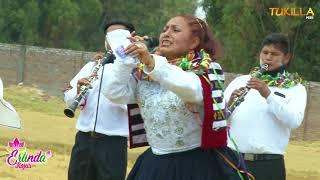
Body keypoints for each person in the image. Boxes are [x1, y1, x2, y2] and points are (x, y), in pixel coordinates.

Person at [102, 15, 242, 180]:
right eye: (165, 29)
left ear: (194, 42)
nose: (166, 34)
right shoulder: (145, 72)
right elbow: (114, 93)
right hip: (156, 165)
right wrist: (126, 59)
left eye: (175, 30)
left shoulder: (206, 69)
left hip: (197, 166)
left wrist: (151, 62)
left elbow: (192, 89)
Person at [225, 33, 307, 180]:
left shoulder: (296, 88)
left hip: (268, 164)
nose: (268, 57)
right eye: (265, 52)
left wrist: (268, 94)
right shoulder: (240, 81)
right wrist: (229, 103)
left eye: (274, 54)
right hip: (233, 160)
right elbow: (219, 118)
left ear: (286, 58)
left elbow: (294, 121)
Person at [64, 19, 135, 180]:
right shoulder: (92, 66)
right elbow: (69, 100)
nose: (112, 40)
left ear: (130, 38)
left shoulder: (135, 69)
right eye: (109, 36)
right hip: (84, 140)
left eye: (118, 36)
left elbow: (133, 104)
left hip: (113, 144)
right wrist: (78, 91)